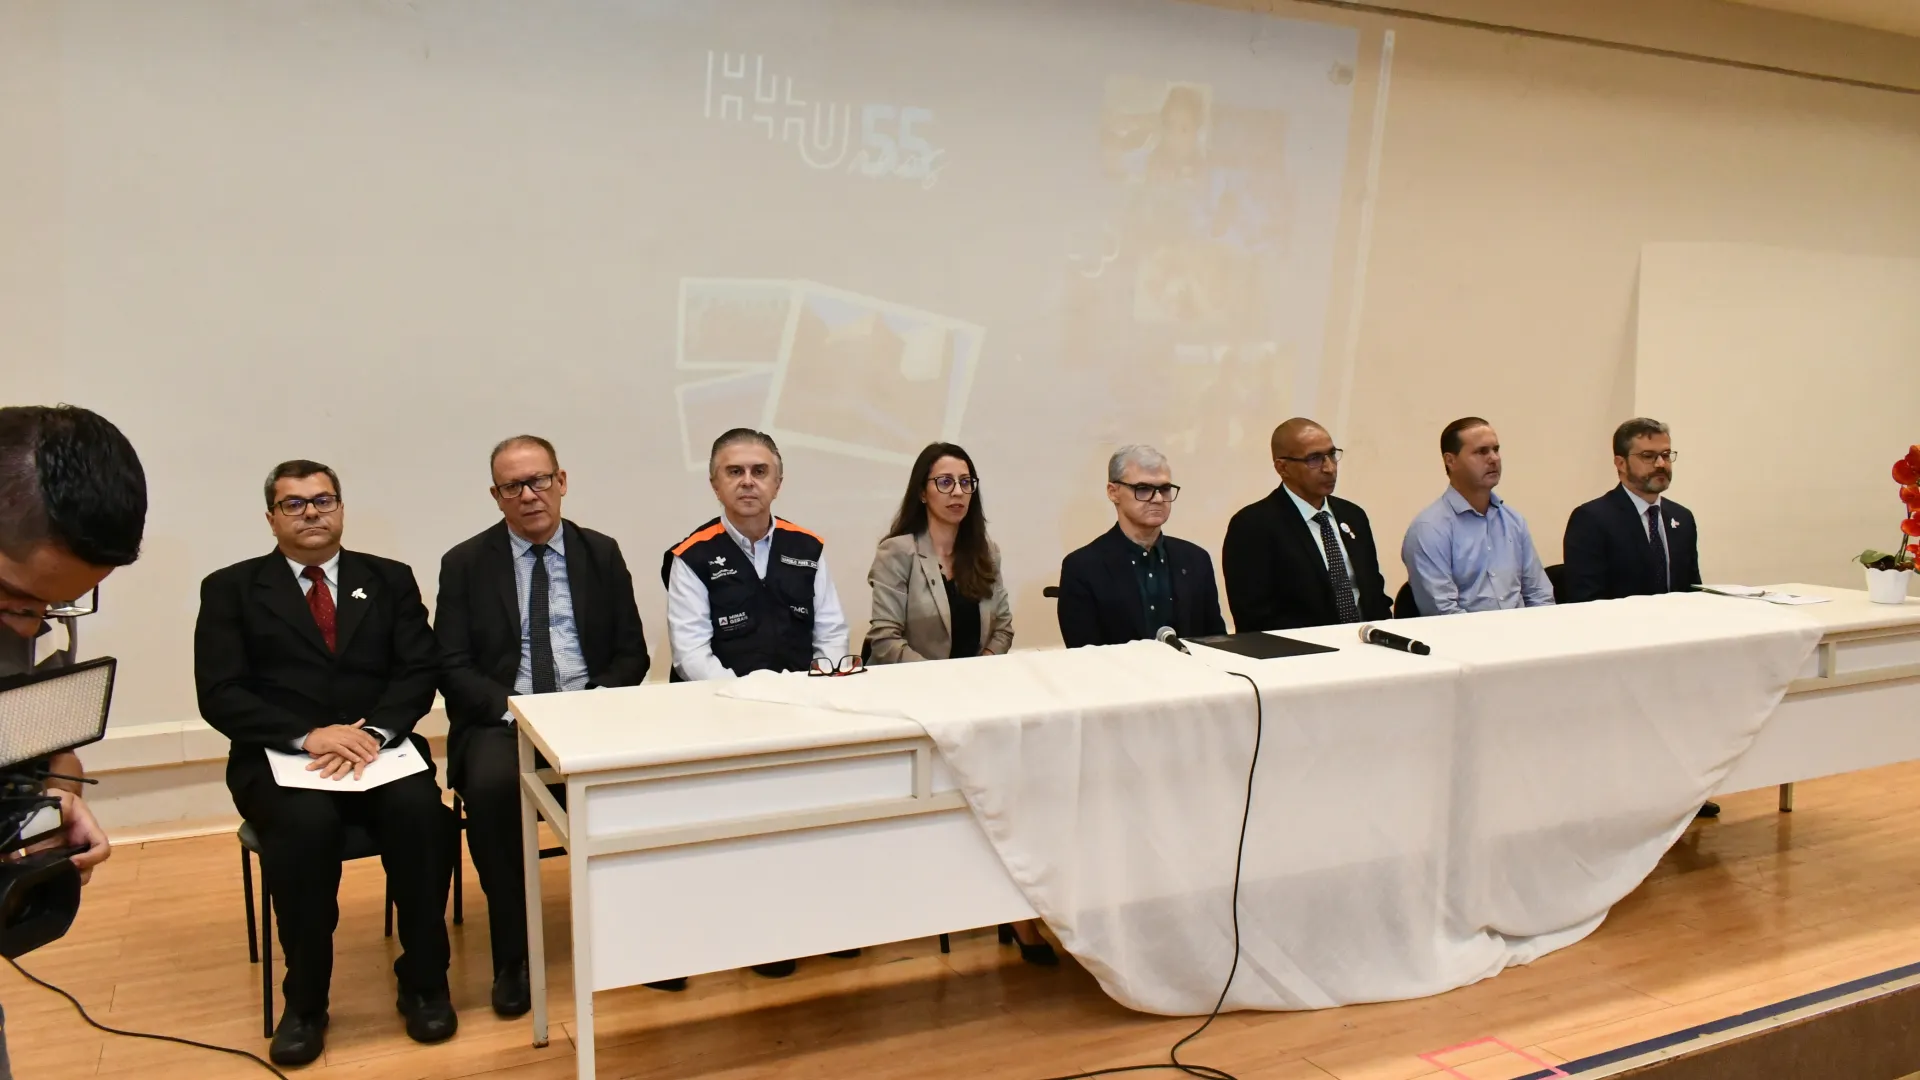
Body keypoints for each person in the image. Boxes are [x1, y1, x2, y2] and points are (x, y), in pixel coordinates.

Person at [194, 460, 457, 1065]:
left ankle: (425, 983)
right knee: (306, 828)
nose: (310, 512)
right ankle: (306, 1002)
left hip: (378, 750)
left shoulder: (389, 579)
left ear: (340, 509)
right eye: (293, 503)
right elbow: (221, 693)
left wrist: (378, 732)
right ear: (271, 517)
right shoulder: (231, 588)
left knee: (424, 816)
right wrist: (307, 736)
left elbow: (419, 669)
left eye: (323, 500)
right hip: (282, 758)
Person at [434, 436, 651, 1016]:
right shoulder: (465, 564)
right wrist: (518, 713)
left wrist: (593, 705)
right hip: (504, 721)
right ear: (496, 495)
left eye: (539, 481)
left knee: (643, 781)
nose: (529, 495)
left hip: (591, 714)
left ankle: (637, 941)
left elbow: (632, 653)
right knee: (492, 788)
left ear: (562, 482)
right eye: (514, 486)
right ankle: (514, 956)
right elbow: (451, 665)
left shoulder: (600, 552)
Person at [661, 428, 849, 979]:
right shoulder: (691, 556)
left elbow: (831, 634)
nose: (748, 482)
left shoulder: (807, 548)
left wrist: (810, 696)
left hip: (802, 710)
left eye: (759, 471)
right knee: (750, 821)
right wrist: (749, 706)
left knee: (821, 814)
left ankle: (824, 921)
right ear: (715, 483)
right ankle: (761, 932)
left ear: (778, 482)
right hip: (722, 715)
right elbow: (691, 654)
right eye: (734, 471)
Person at [864, 443, 1051, 964]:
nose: (957, 493)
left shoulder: (984, 552)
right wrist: (947, 683)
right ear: (923, 491)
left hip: (978, 704)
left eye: (966, 482)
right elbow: (885, 640)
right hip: (919, 708)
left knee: (1017, 797)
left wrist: (977, 674)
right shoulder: (899, 552)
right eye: (944, 482)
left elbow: (1004, 628)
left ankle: (1019, 912)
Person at [0, 405, 139, 1080]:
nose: (31, 633)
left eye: (53, 610)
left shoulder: (27, 610)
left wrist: (57, 793)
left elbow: (46, 745)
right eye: (17, 604)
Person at [1222, 418, 1392, 631]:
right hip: (1300, 648)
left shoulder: (1353, 515)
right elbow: (1254, 616)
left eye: (1332, 455)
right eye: (1314, 459)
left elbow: (1374, 594)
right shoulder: (1253, 526)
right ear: (1283, 467)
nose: (1329, 468)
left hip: (1366, 641)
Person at [1057, 445, 1225, 648]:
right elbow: (1084, 652)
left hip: (1191, 668)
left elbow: (1216, 641)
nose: (1158, 499)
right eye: (1143, 489)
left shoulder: (1196, 559)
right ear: (1113, 492)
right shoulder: (1082, 567)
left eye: (1164, 489)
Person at [1402, 418, 1556, 616]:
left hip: (1523, 631)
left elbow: (1539, 594)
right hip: (1463, 634)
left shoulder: (1513, 521)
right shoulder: (1429, 529)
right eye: (1481, 452)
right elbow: (1443, 613)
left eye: (1496, 449)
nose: (1494, 459)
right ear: (1451, 461)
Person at [1562, 418, 1700, 603]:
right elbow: (1586, 600)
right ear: (1620, 463)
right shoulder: (1591, 520)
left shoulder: (1682, 517)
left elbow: (1692, 590)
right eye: (1648, 456)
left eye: (1666, 455)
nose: (1661, 464)